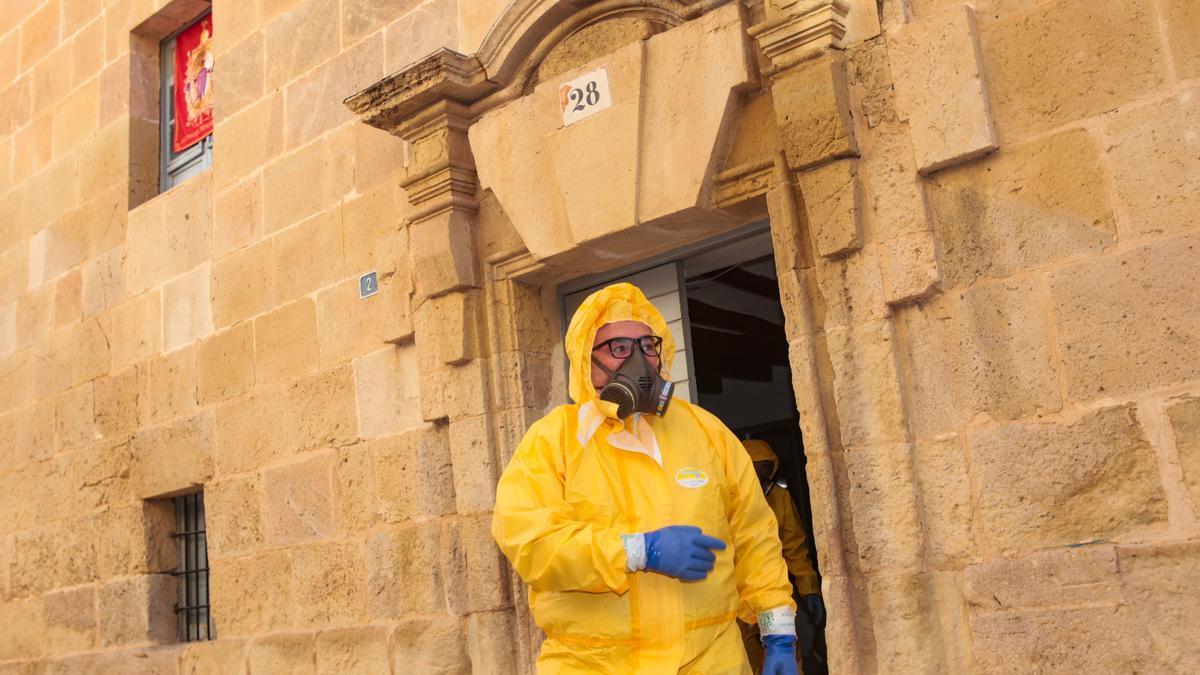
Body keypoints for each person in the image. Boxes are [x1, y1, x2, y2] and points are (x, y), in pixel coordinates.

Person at [492, 283, 800, 674]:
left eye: (647, 346)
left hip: (710, 660)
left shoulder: (706, 432)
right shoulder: (554, 440)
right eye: (619, 348)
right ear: (586, 360)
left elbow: (754, 535)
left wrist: (779, 634)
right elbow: (530, 541)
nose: (639, 359)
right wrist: (638, 551)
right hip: (593, 663)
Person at [739, 439, 825, 674]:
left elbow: (794, 547)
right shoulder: (729, 498)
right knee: (745, 661)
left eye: (765, 473)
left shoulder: (780, 498)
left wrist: (810, 589)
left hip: (773, 592)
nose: (760, 480)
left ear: (773, 471)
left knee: (785, 657)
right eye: (754, 473)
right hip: (735, 598)